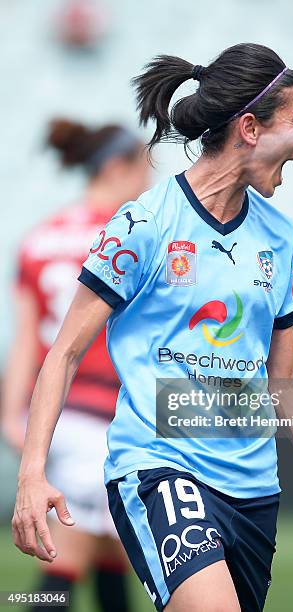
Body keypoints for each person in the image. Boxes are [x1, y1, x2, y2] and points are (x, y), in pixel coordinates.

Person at [12, 43, 293, 612]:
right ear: (249, 128)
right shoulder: (144, 224)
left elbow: (284, 381)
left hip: (255, 491)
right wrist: (31, 473)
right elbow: (62, 352)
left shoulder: (281, 238)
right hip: (159, 469)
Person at [3, 118, 150, 611]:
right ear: (115, 167)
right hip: (97, 416)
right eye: (143, 169)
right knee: (62, 567)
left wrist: (10, 414)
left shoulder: (39, 237)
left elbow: (26, 339)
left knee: (110, 552)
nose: (149, 182)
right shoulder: (125, 237)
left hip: (51, 413)